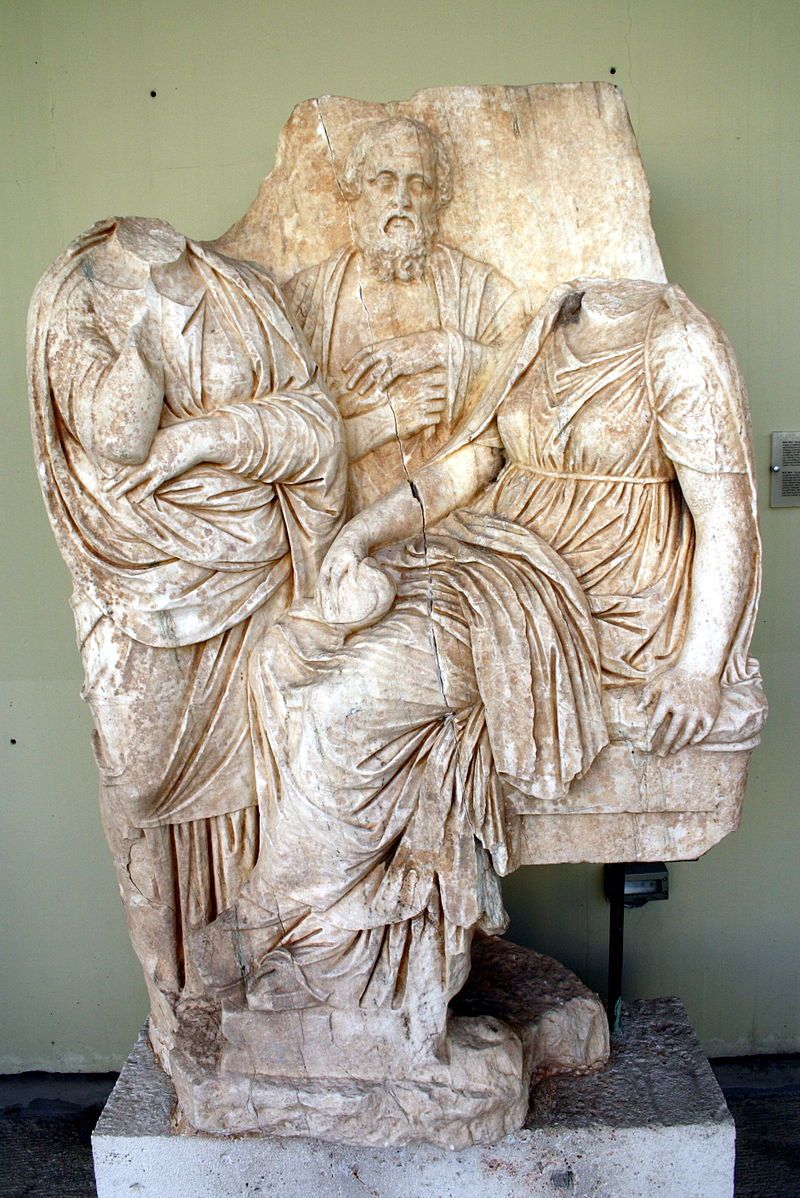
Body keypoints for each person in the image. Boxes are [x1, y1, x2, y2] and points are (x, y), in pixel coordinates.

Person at [194, 279, 765, 1051]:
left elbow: (725, 512)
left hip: (594, 602)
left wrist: (699, 669)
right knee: (286, 653)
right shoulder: (550, 325)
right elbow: (467, 466)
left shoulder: (678, 346)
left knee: (350, 699)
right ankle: (330, 925)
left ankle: (283, 925)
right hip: (501, 559)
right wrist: (363, 534)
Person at [28, 216, 346, 1063]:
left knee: (264, 789)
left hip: (256, 574)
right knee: (139, 789)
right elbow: (115, 437)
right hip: (135, 582)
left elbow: (317, 427)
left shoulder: (242, 288)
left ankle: (267, 986)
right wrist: (145, 338)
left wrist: (210, 436)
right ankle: (177, 1005)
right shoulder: (77, 296)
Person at [285, 116, 528, 512]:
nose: (401, 200)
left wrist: (439, 349)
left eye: (418, 184)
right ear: (355, 191)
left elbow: (527, 388)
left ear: (437, 197)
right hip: (340, 516)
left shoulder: (480, 291)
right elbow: (287, 443)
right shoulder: (306, 300)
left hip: (459, 511)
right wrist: (390, 419)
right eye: (384, 182)